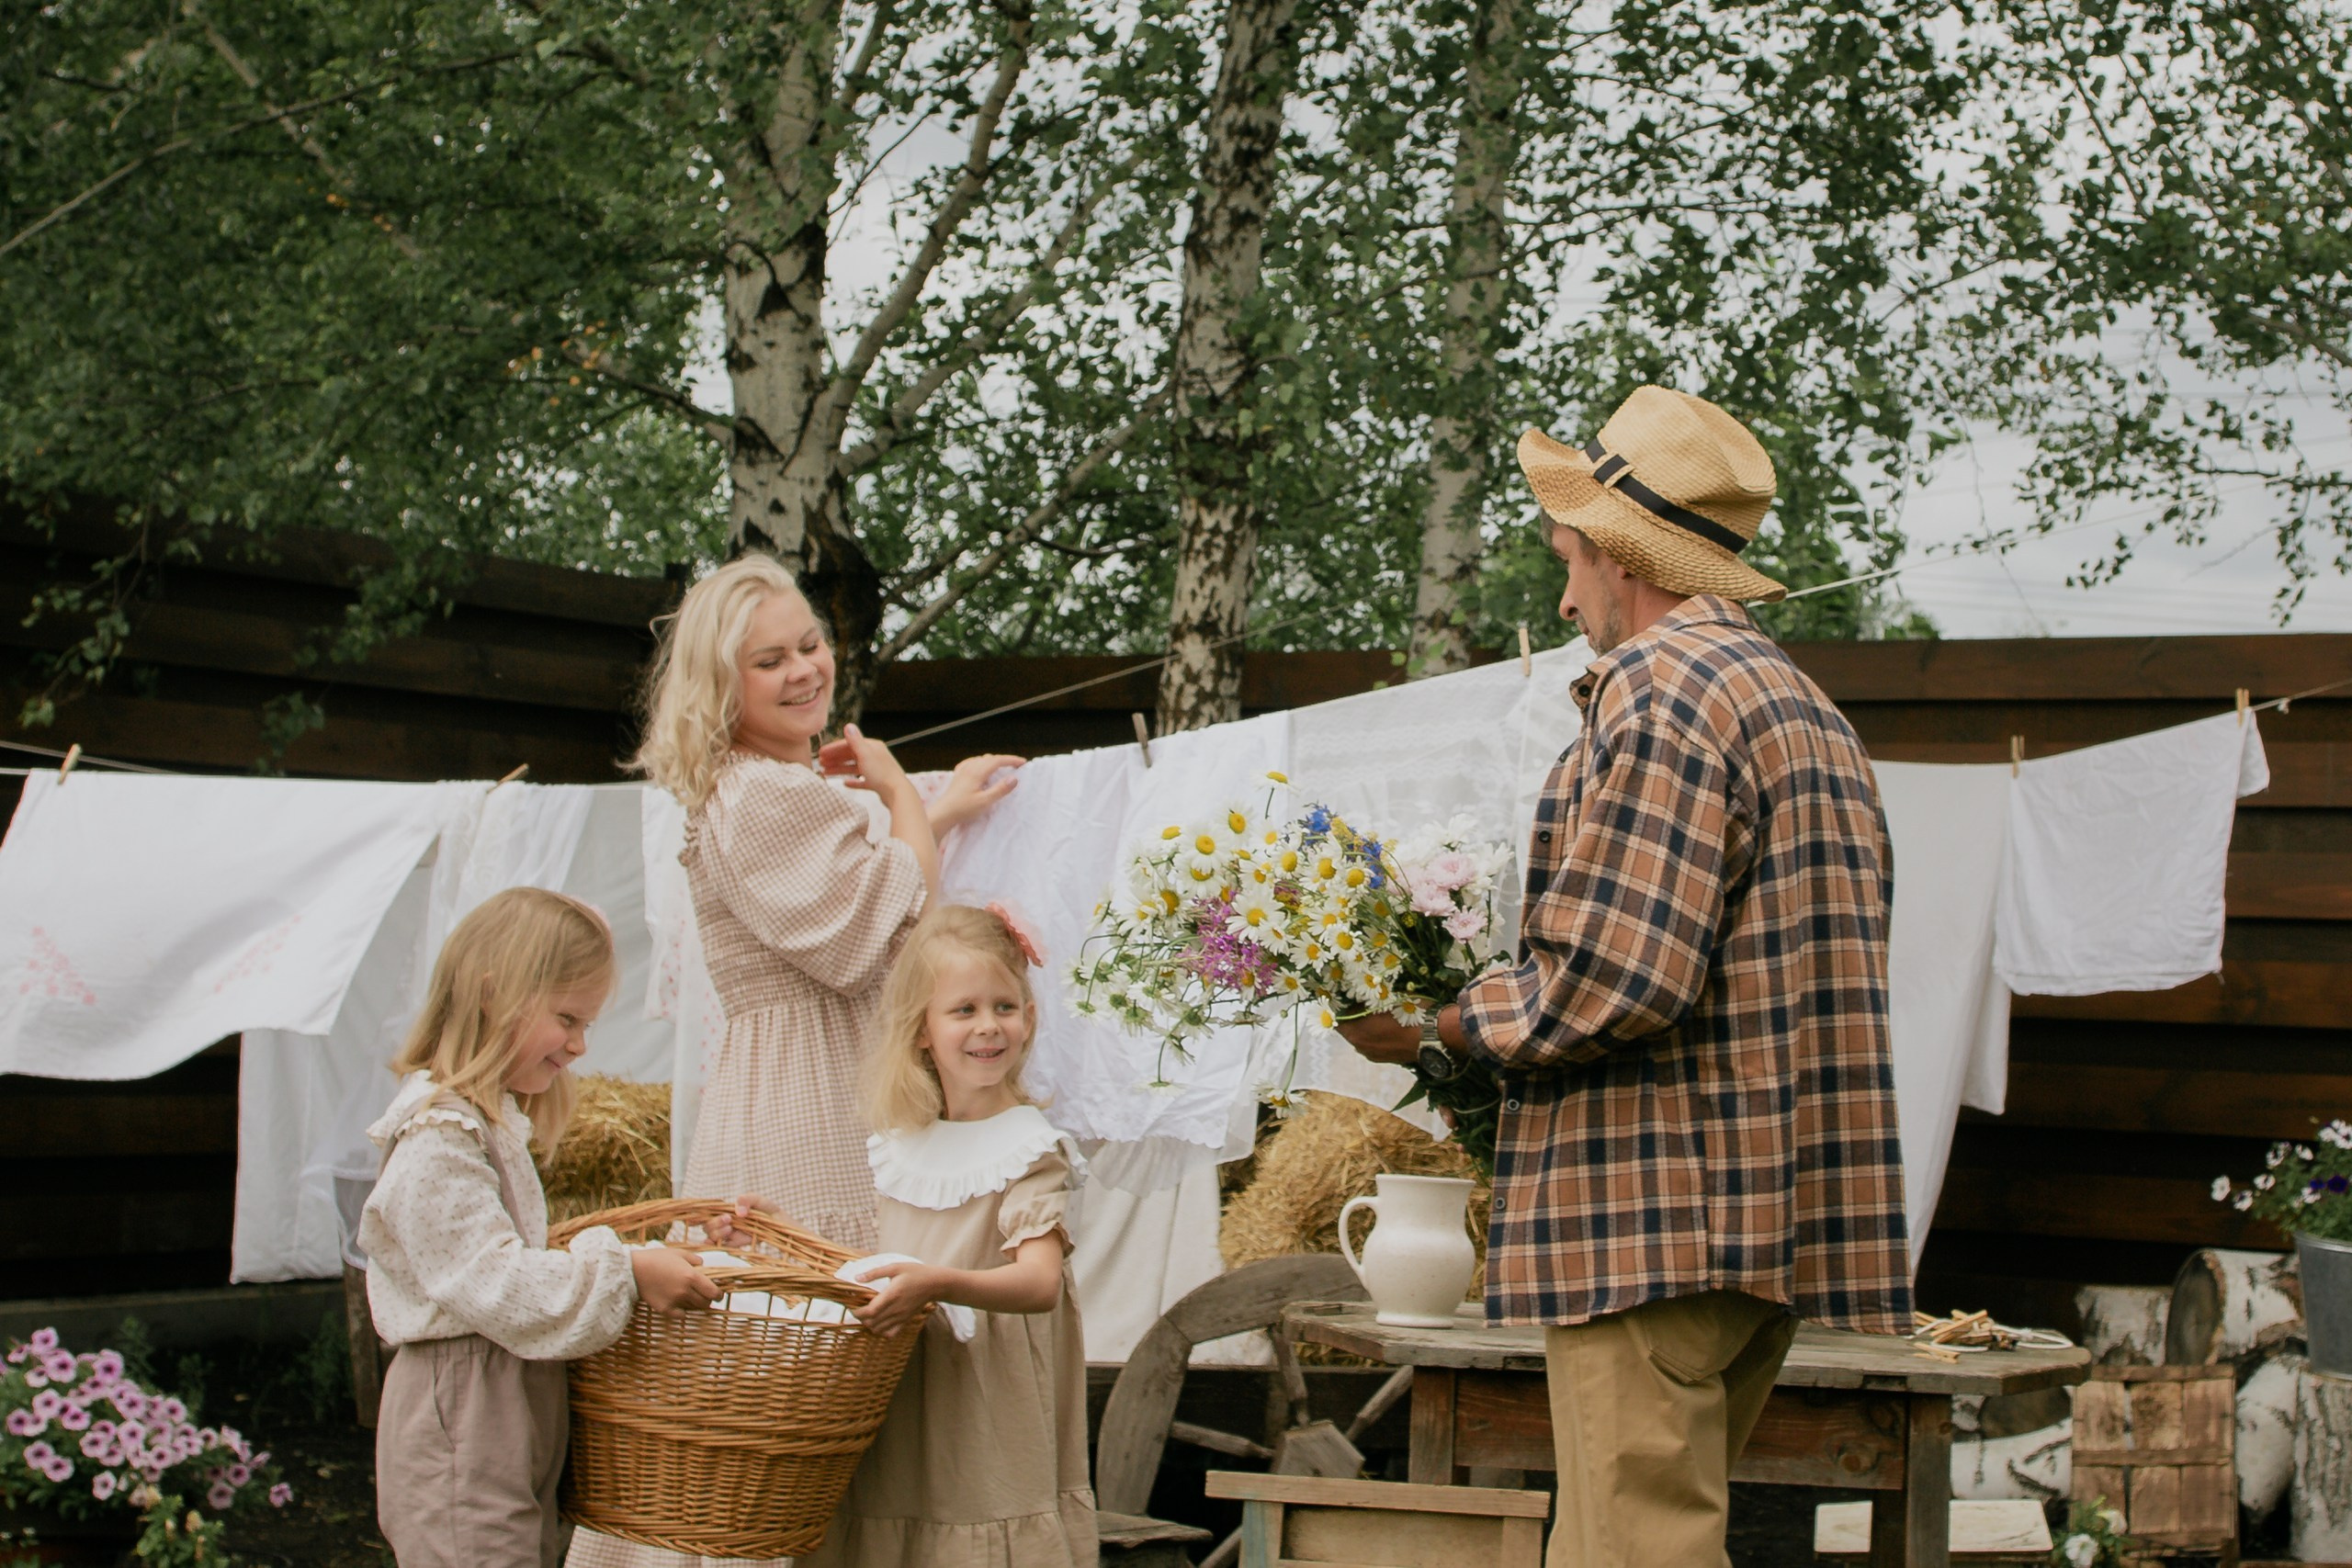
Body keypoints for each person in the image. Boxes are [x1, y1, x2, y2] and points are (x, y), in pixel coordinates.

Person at [1339, 386, 1911, 1568]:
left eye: (1568, 558)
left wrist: (1435, 1027)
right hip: (1758, 1229)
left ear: (1615, 553)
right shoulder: (1803, 708)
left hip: (1654, 1230)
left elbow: (1616, 979)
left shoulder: (1664, 693)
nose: (1564, 595)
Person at [629, 554, 1024, 1252]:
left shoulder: (759, 785)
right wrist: (901, 791)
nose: (806, 669)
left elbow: (846, 889)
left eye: (811, 645)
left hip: (793, 1080)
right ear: (723, 684)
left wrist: (938, 814)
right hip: (810, 1092)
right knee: (827, 1321)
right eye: (771, 660)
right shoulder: (763, 793)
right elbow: (868, 938)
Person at [718, 905, 1096, 1568]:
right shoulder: (902, 1143)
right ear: (922, 1028)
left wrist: (940, 1283)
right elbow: (875, 1260)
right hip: (899, 1394)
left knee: (965, 1516)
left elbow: (1038, 1283)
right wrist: (771, 1232)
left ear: (1029, 1018)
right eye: (963, 1009)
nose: (988, 1026)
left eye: (1005, 1005)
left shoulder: (1030, 1147)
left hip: (981, 1413)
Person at [362, 887, 720, 1568]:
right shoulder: (440, 1138)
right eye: (567, 1018)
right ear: (495, 995)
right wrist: (629, 1270)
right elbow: (496, 1280)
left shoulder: (487, 1122)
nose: (581, 1045)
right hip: (463, 1411)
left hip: (502, 1399)